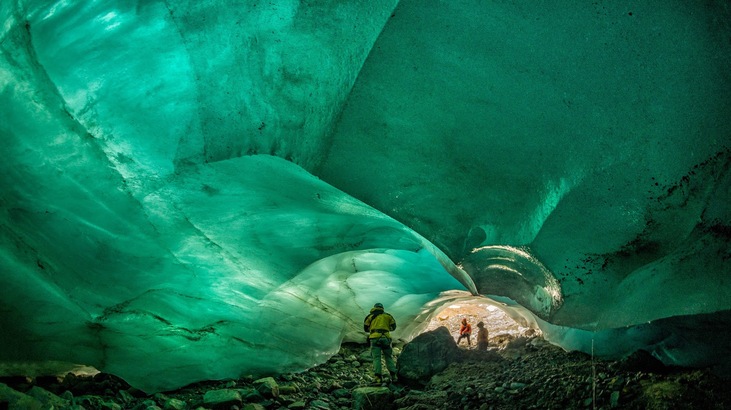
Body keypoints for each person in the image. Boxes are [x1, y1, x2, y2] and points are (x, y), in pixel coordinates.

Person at [363, 302, 397, 383]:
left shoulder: (370, 316)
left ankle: (378, 378)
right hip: (386, 338)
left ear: (375, 307)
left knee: (376, 358)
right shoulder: (388, 316)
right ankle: (394, 376)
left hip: (375, 339)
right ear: (382, 308)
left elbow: (365, 328)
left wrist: (373, 330)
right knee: (388, 357)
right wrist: (386, 329)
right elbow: (394, 327)